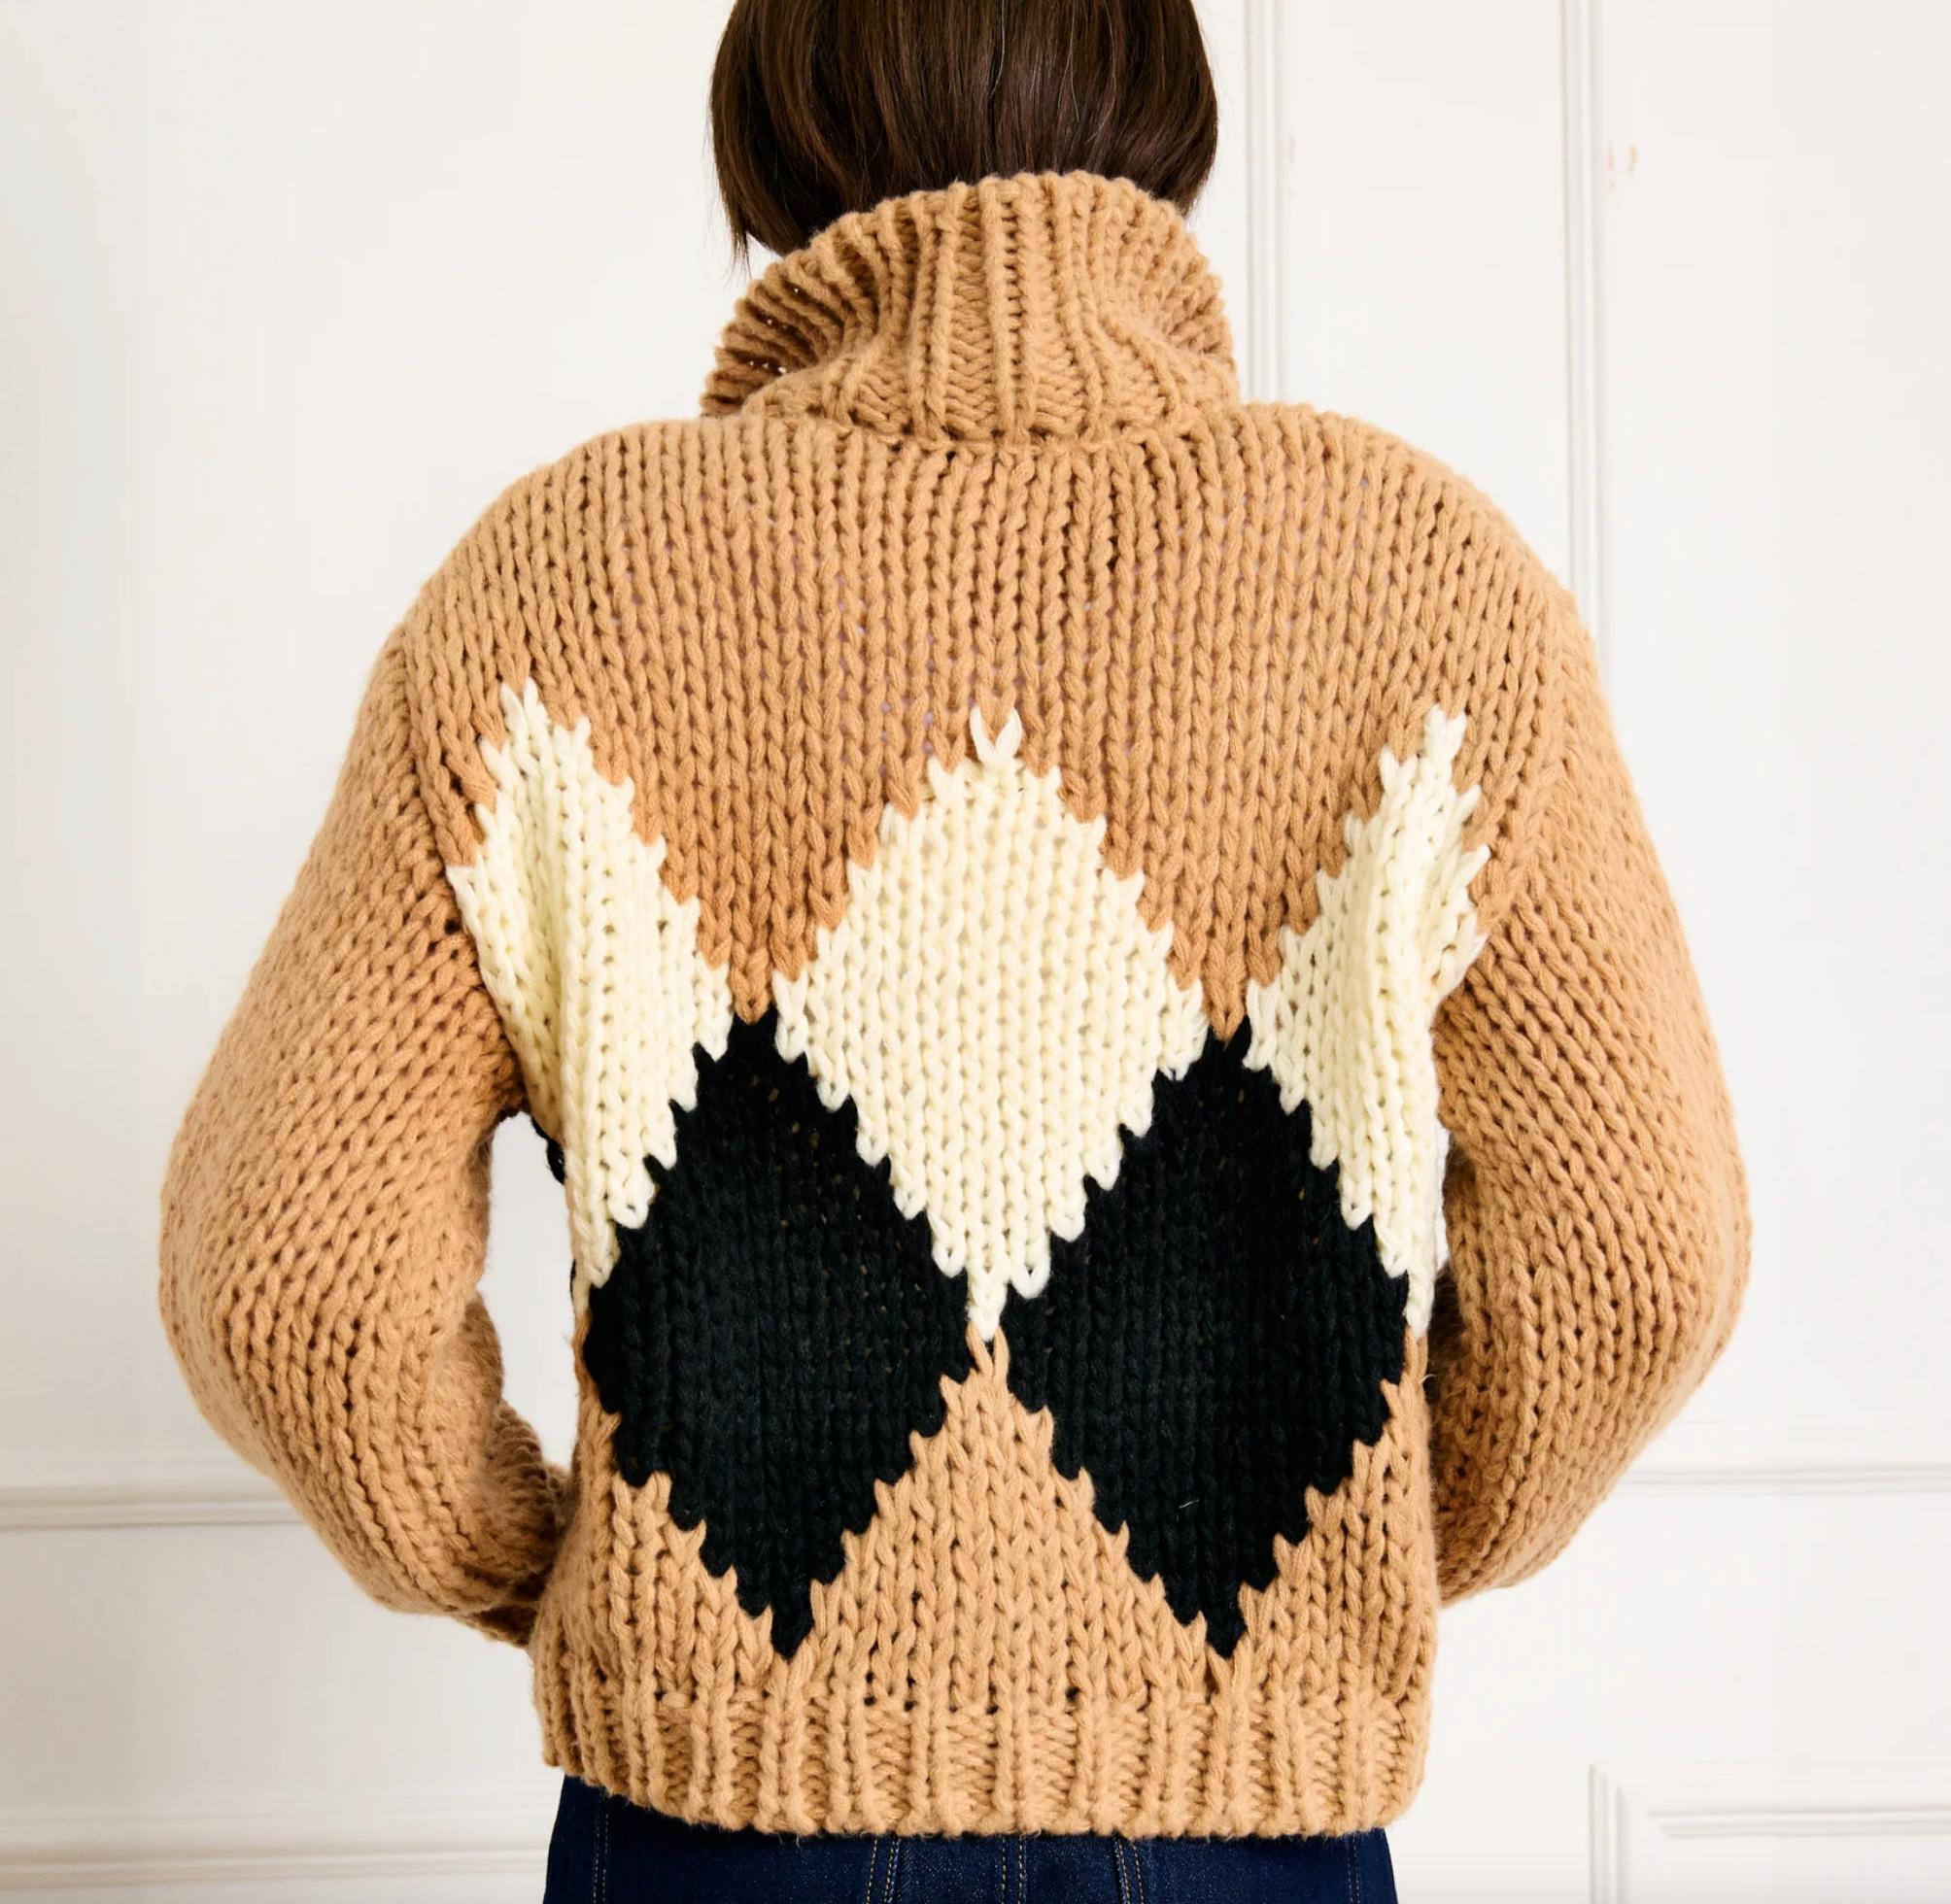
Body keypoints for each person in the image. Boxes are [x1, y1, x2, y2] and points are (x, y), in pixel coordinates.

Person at [155, 0, 1751, 1897]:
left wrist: (548, 1566)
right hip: (1243, 1816)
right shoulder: (1431, 589)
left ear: (772, 131)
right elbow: (1640, 1257)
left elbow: (291, 1285)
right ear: (1163, 114)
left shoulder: (551, 594)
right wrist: (1357, 1542)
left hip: (720, 1815)